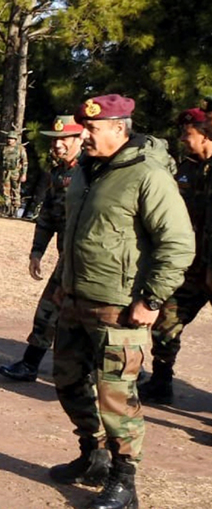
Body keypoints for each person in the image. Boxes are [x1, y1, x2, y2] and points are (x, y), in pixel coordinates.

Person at [50, 94, 194, 509]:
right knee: (68, 382)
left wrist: (151, 300)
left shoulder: (147, 175)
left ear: (119, 129)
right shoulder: (86, 172)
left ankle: (124, 479)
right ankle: (91, 455)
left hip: (120, 306)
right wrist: (63, 280)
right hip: (77, 299)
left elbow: (178, 243)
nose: (85, 136)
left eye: (92, 130)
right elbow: (76, 233)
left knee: (117, 396)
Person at [0, 115, 83, 381]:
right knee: (48, 309)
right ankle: (30, 364)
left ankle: (128, 374)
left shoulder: (92, 172)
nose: (57, 145)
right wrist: (37, 252)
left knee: (96, 319)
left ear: (81, 138)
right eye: (55, 140)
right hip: (66, 258)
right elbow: (48, 215)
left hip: (91, 261)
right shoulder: (58, 172)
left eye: (64, 139)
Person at [137, 108, 212, 405]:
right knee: (165, 323)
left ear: (206, 135)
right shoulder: (186, 169)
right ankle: (160, 382)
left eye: (187, 134)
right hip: (189, 268)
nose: (182, 139)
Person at [0, 132, 28, 217]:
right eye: (8, 138)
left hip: (16, 172)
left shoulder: (20, 149)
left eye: (12, 138)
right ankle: (8, 209)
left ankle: (15, 209)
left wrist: (24, 174)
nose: (10, 140)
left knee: (16, 190)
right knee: (6, 191)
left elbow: (25, 162)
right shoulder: (3, 148)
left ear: (15, 140)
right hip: (5, 172)